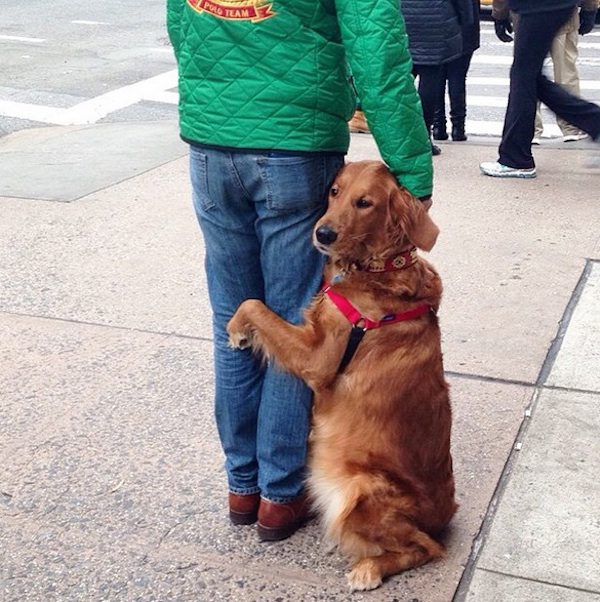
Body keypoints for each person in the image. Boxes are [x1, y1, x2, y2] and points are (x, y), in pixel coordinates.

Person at [166, 0, 433, 541]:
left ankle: (242, 486)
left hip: (210, 143)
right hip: (292, 142)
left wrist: (214, 103)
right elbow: (376, 51)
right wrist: (412, 174)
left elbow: (181, 22)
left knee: (234, 327)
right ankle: (279, 497)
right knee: (295, 323)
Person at [480, 0, 600, 178]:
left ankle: (516, 158)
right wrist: (590, 8)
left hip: (537, 7)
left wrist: (500, 14)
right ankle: (595, 122)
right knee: (530, 77)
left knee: (524, 76)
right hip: (555, 7)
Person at [401, 0, 474, 155]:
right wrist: (465, 19)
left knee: (401, 80)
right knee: (430, 78)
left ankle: (401, 135)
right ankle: (424, 137)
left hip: (404, 16)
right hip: (437, 18)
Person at [532, 1, 599, 144]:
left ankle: (530, 129)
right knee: (565, 72)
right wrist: (589, 9)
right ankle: (570, 127)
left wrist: (501, 14)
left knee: (528, 75)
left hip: (526, 17)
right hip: (563, 14)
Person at [432, 0, 481, 142]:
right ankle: (458, 128)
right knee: (458, 78)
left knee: (437, 79)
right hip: (464, 25)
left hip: (437, 24)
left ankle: (438, 126)